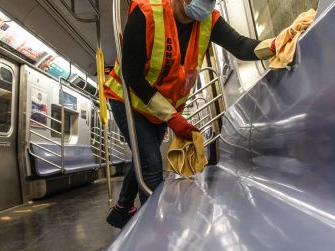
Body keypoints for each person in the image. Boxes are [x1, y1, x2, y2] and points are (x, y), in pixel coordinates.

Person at [104, 0, 276, 228]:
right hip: (128, 99)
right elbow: (131, 75)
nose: (206, 5)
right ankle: (156, 229)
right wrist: (173, 118)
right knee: (152, 166)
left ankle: (122, 209)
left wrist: (276, 45)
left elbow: (241, 46)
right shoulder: (146, 14)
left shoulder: (207, 21)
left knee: (145, 157)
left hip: (159, 107)